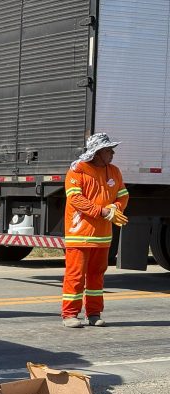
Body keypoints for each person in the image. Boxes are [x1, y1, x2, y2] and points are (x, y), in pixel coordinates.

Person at [61, 133, 129, 328]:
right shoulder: (78, 170)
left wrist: (116, 208)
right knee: (75, 275)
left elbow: (123, 195)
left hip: (102, 236)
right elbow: (75, 199)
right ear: (97, 153)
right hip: (79, 234)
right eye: (109, 150)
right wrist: (102, 212)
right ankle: (70, 314)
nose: (113, 153)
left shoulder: (114, 171)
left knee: (96, 275)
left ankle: (93, 313)